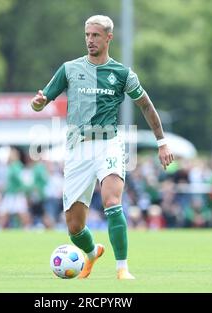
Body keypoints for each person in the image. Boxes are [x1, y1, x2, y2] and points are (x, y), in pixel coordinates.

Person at [31, 15, 173, 279]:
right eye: (87, 35)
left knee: (111, 202)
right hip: (76, 149)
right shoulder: (69, 69)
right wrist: (38, 103)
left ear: (109, 37)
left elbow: (145, 105)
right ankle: (93, 252)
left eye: (95, 35)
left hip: (109, 144)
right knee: (74, 227)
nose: (90, 40)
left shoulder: (122, 74)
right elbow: (41, 99)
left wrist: (161, 142)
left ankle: (122, 268)